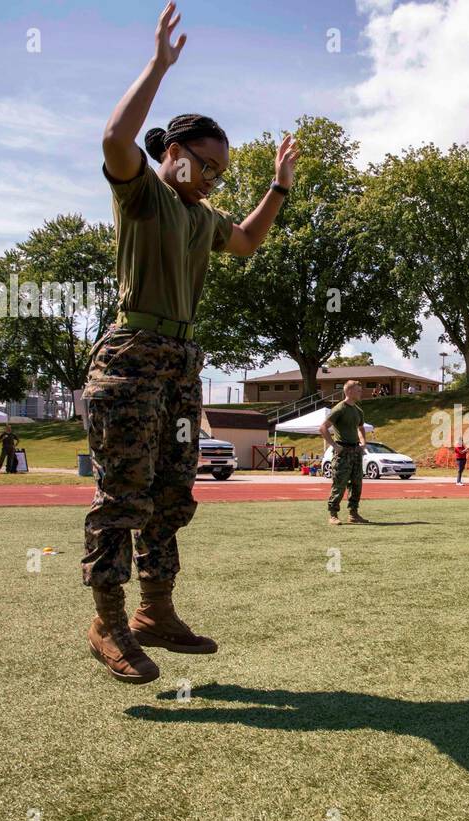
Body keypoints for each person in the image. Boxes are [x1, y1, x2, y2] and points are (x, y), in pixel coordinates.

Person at [82, 2, 299, 684]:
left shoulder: (203, 216)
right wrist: (158, 66)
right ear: (172, 154)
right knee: (124, 494)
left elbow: (248, 241)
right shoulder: (143, 195)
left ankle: (156, 611)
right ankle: (108, 622)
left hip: (179, 364)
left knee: (173, 492)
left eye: (219, 173)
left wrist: (278, 186)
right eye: (205, 165)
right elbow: (114, 138)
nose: (210, 179)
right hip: (131, 357)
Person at [323, 380, 368, 524]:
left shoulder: (358, 410)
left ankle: (353, 514)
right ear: (349, 391)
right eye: (358, 390)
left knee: (356, 483)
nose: (361, 393)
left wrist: (363, 443)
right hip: (343, 452)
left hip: (356, 451)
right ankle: (333, 515)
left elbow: (361, 428)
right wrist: (334, 445)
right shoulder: (339, 409)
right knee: (340, 483)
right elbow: (323, 428)